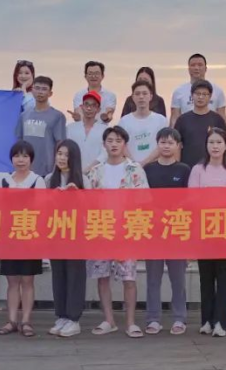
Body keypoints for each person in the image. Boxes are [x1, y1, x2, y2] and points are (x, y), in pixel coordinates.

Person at [86, 126, 149, 338]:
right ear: (104, 144)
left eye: (118, 141)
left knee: (129, 277)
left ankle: (130, 322)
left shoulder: (135, 169)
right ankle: (109, 320)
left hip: (126, 230)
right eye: (110, 140)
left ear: (125, 145)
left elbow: (144, 200)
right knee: (102, 276)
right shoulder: (96, 171)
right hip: (101, 229)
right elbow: (87, 202)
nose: (114, 144)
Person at [189, 127, 226, 337]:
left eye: (219, 142)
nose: (215, 146)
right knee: (206, 276)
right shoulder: (198, 170)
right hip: (204, 229)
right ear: (206, 145)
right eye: (211, 142)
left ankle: (221, 322)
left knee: (224, 276)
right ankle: (206, 320)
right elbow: (193, 199)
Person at [143, 128, 190, 335]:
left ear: (178, 146)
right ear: (157, 144)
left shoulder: (184, 170)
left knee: (178, 279)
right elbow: (142, 199)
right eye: (162, 142)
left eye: (171, 142)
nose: (166, 146)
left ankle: (179, 318)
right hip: (153, 230)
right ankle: (153, 318)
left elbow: (189, 200)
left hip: (177, 230)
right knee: (153, 279)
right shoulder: (148, 170)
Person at [0, 141, 46, 338]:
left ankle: (26, 321)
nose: (21, 160)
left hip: (29, 236)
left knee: (27, 280)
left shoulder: (37, 180)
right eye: (17, 156)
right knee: (12, 281)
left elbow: (42, 209)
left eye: (25, 156)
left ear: (31, 159)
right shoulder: (4, 180)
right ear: (11, 159)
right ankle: (11, 321)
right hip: (9, 237)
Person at [45, 140, 87, 338]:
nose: (61, 158)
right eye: (59, 153)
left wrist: (77, 195)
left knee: (75, 275)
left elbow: (92, 208)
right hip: (56, 233)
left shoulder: (83, 180)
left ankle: (74, 318)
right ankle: (61, 315)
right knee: (58, 275)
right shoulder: (49, 179)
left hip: (76, 235)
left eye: (66, 155)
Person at [15, 76, 67, 177]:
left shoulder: (57, 116)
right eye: (37, 88)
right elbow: (19, 141)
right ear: (32, 90)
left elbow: (60, 144)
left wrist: (57, 167)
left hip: (47, 171)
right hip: (26, 169)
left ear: (50, 93)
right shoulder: (24, 115)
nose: (40, 92)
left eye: (44, 89)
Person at [173, 80, 226, 168]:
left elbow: (224, 145)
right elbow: (176, 146)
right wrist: (177, 167)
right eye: (197, 94)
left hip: (212, 167)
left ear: (210, 97)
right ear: (192, 95)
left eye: (204, 94)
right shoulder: (182, 120)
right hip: (187, 167)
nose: (201, 97)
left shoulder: (217, 119)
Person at [116, 80, 167, 165]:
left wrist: (145, 163)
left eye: (144, 93)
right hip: (130, 167)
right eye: (137, 94)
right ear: (132, 97)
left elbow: (163, 144)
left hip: (155, 166)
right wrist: (135, 164)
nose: (141, 97)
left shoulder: (161, 120)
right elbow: (121, 145)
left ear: (151, 96)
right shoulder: (124, 121)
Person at [170, 53, 226, 127]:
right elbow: (174, 118)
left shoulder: (217, 91)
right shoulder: (179, 92)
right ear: (188, 69)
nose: (196, 68)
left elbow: (222, 118)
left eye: (200, 65)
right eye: (193, 65)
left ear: (205, 69)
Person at [66, 91, 107, 171]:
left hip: (96, 172)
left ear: (98, 109)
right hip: (74, 172)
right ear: (82, 107)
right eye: (86, 104)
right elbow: (66, 149)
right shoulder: (70, 128)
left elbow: (105, 153)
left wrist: (89, 168)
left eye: (93, 105)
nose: (89, 108)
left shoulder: (104, 130)